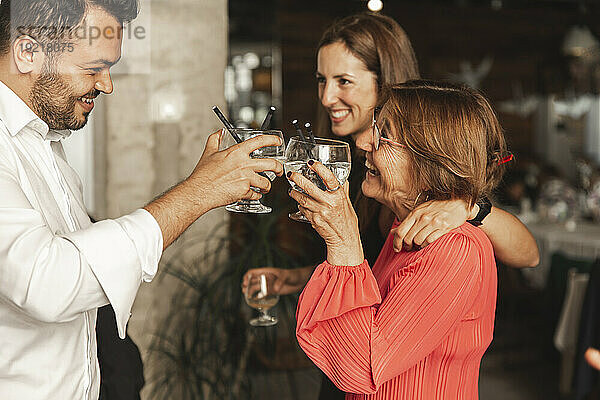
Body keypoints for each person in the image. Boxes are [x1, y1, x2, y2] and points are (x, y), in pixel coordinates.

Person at [243, 13, 538, 398]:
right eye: (322, 80)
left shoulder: (449, 238)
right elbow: (376, 292)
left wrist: (470, 209)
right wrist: (301, 275)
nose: (327, 96)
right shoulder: (394, 210)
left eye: (343, 81)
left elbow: (527, 254)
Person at [0, 1, 283, 399]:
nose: (107, 84)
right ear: (28, 52)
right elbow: (46, 283)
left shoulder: (44, 143)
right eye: (93, 68)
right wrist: (198, 192)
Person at [288, 80, 506, 399]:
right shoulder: (402, 228)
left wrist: (344, 242)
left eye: (384, 137)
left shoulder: (455, 248)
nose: (366, 145)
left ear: (431, 162)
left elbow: (363, 367)